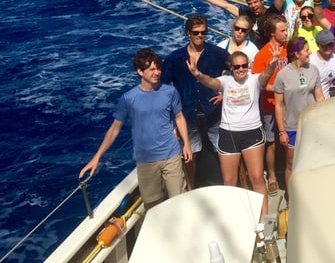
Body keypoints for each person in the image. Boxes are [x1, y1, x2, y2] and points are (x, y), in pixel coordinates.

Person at [80, 48, 192, 210]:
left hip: (171, 155)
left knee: (178, 201)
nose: (157, 72)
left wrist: (186, 144)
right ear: (140, 71)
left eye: (158, 68)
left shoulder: (170, 91)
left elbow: (179, 117)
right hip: (146, 160)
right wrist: (97, 157)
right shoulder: (129, 98)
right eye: (152, 69)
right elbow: (114, 129)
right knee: (152, 205)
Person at [187, 49, 278, 216]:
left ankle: (264, 219)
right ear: (231, 68)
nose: (241, 69)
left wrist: (273, 63)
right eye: (237, 67)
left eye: (244, 66)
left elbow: (265, 77)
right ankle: (233, 218)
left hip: (252, 134)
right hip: (228, 135)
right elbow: (211, 82)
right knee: (229, 181)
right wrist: (197, 74)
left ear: (248, 66)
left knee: (256, 177)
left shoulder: (254, 80)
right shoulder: (225, 81)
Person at [161, 14, 229, 189]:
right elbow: (162, 85)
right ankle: (191, 188)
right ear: (187, 33)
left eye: (203, 32)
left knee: (224, 151)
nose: (200, 36)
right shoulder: (175, 59)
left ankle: (231, 185)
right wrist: (172, 116)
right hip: (187, 115)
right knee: (189, 154)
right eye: (196, 33)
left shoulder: (217, 54)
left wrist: (225, 93)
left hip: (214, 112)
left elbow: (237, 71)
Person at [274, 36, 325, 194]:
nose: (310, 53)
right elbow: (279, 105)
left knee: (313, 161)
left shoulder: (313, 70)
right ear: (296, 54)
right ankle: (292, 198)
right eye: (306, 50)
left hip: (311, 125)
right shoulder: (282, 75)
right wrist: (282, 131)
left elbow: (319, 97)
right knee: (292, 164)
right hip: (292, 126)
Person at [251, 14, 289, 195]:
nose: (286, 33)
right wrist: (280, 88)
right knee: (271, 142)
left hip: (288, 104)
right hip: (270, 105)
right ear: (272, 34)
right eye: (282, 30)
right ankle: (272, 175)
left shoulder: (288, 48)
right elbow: (259, 83)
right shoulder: (261, 55)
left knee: (289, 138)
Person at [189, 0, 281, 48]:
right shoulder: (247, 16)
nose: (253, 6)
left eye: (255, 2)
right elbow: (226, 5)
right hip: (257, 52)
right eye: (250, 4)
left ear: (262, 1)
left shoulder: (273, 12)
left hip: (276, 50)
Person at [309, 29, 335, 98]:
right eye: (324, 45)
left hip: (325, 102)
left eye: (330, 44)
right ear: (318, 44)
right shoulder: (309, 60)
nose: (328, 47)